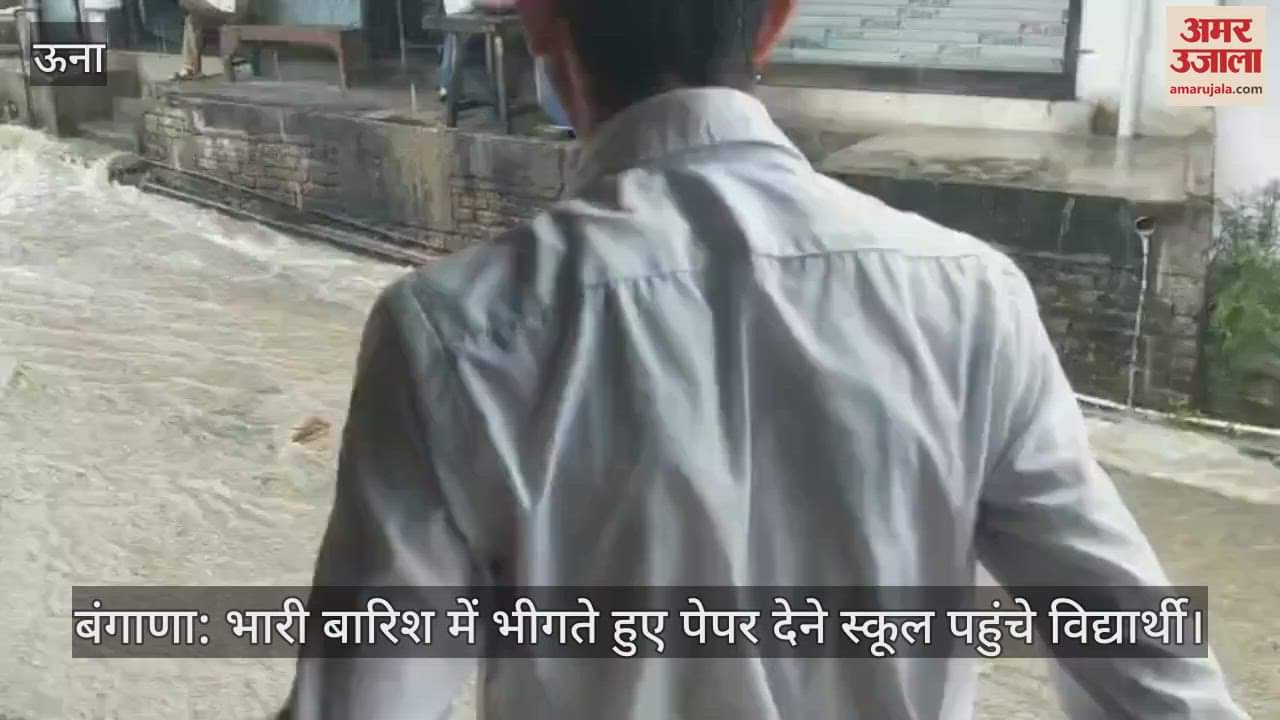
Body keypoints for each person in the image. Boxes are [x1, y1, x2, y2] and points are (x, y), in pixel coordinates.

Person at [281, 0, 1251, 718]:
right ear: (775, 19)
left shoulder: (452, 336)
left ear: (538, 19)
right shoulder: (966, 302)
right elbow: (1157, 684)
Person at [172, 0, 251, 81]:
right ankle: (191, 68)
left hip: (230, 9)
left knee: (189, 9)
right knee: (192, 19)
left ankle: (191, 69)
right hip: (223, 9)